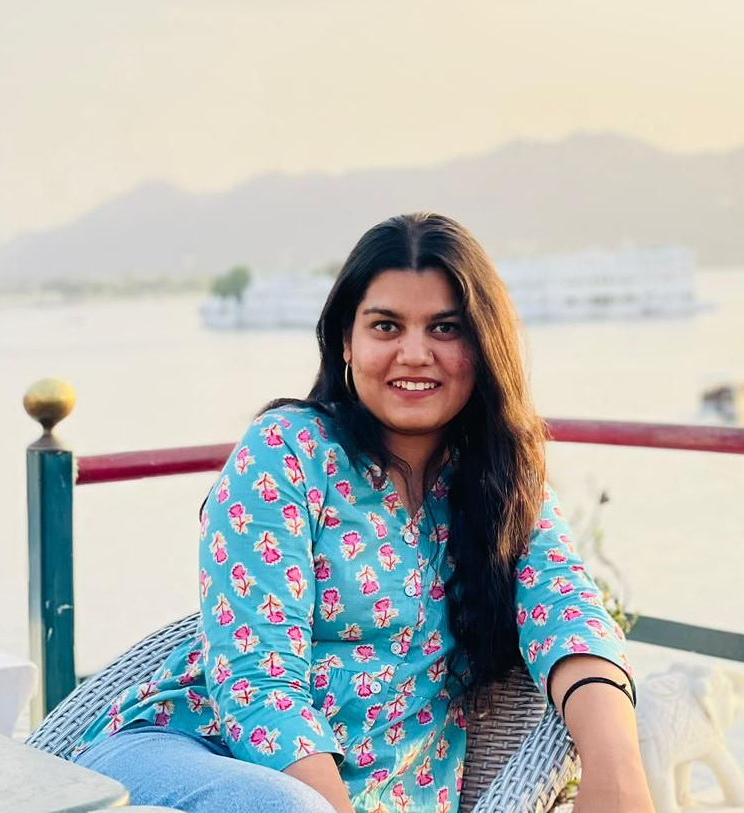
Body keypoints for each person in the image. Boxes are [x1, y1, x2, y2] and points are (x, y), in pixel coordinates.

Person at [71, 213, 654, 813]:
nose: (415, 352)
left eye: (445, 328)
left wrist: (618, 769)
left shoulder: (503, 485)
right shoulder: (288, 453)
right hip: (191, 756)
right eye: (386, 326)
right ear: (346, 342)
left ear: (482, 346)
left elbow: (567, 612)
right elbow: (256, 679)